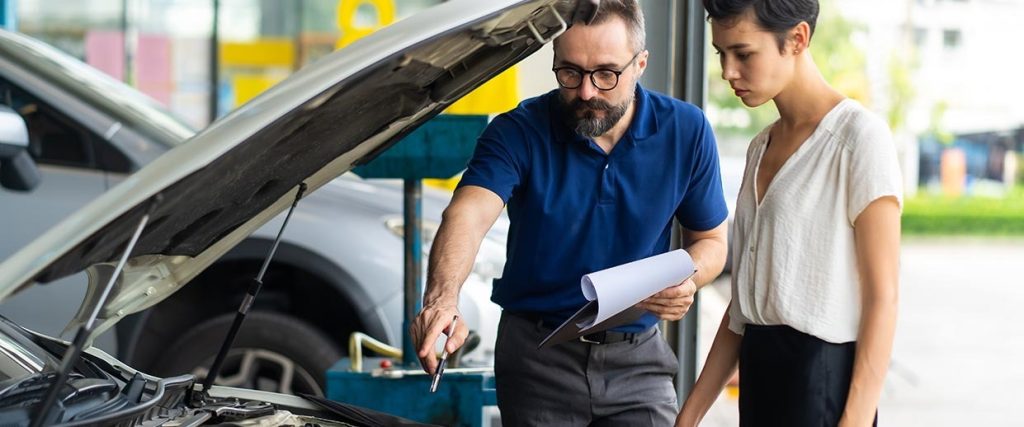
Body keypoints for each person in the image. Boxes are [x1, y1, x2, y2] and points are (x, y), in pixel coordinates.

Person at [409, 1, 729, 425]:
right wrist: (442, 299)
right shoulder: (517, 130)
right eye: (570, 72)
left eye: (606, 74)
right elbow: (466, 215)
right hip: (536, 360)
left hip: (639, 359)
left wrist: (688, 279)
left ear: (640, 65)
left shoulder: (687, 131)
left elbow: (710, 242)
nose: (586, 92)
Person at [676, 1, 902, 426]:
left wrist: (853, 421)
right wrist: (688, 416)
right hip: (760, 385)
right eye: (720, 53)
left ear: (797, 39)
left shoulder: (859, 140)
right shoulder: (759, 148)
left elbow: (883, 299)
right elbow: (742, 310)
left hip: (823, 388)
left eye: (743, 54)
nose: (728, 72)